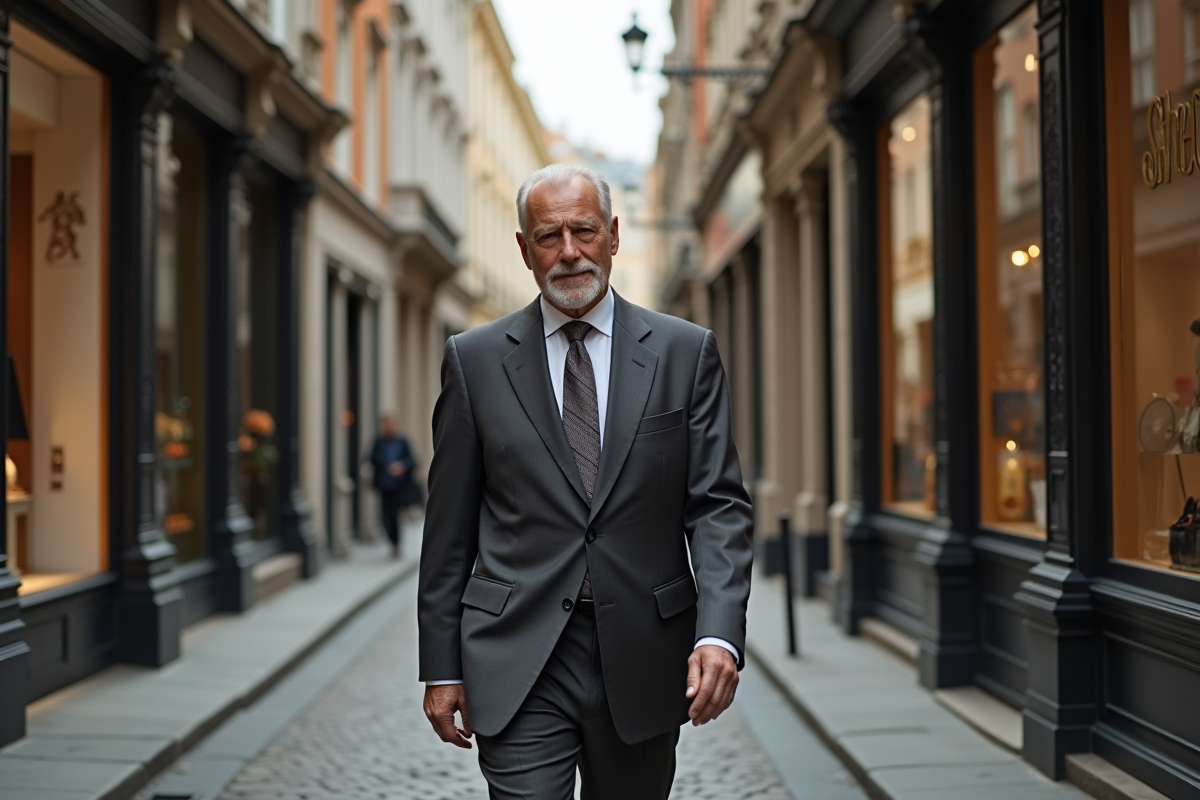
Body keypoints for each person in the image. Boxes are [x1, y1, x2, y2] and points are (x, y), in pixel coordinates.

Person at [418, 164, 753, 799]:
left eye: (584, 230)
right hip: (519, 655)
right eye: (549, 236)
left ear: (614, 235)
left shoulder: (685, 352)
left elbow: (717, 507)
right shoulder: (476, 360)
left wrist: (718, 633)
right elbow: (448, 531)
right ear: (523, 248)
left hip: (645, 655)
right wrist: (440, 665)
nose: (569, 252)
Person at [369, 414, 416, 559]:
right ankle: (391, 539)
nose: (389, 427)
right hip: (384, 484)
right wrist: (380, 461)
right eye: (386, 424)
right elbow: (370, 459)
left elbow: (412, 460)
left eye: (391, 424)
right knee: (384, 516)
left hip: (398, 485)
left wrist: (401, 467)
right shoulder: (378, 441)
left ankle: (395, 543)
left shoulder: (402, 441)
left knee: (395, 515)